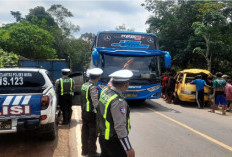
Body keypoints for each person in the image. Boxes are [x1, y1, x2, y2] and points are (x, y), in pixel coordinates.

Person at [97, 70, 135, 157]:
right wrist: (128, 148)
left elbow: (110, 82)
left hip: (103, 137)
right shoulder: (118, 101)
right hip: (114, 141)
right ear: (126, 85)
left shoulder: (105, 91)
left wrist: (124, 69)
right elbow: (120, 126)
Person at [80, 68, 103, 157]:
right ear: (98, 77)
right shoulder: (93, 87)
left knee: (85, 132)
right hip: (91, 113)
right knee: (92, 133)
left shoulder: (84, 85)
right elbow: (95, 102)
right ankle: (92, 152)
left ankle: (84, 151)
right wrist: (99, 113)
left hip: (84, 112)